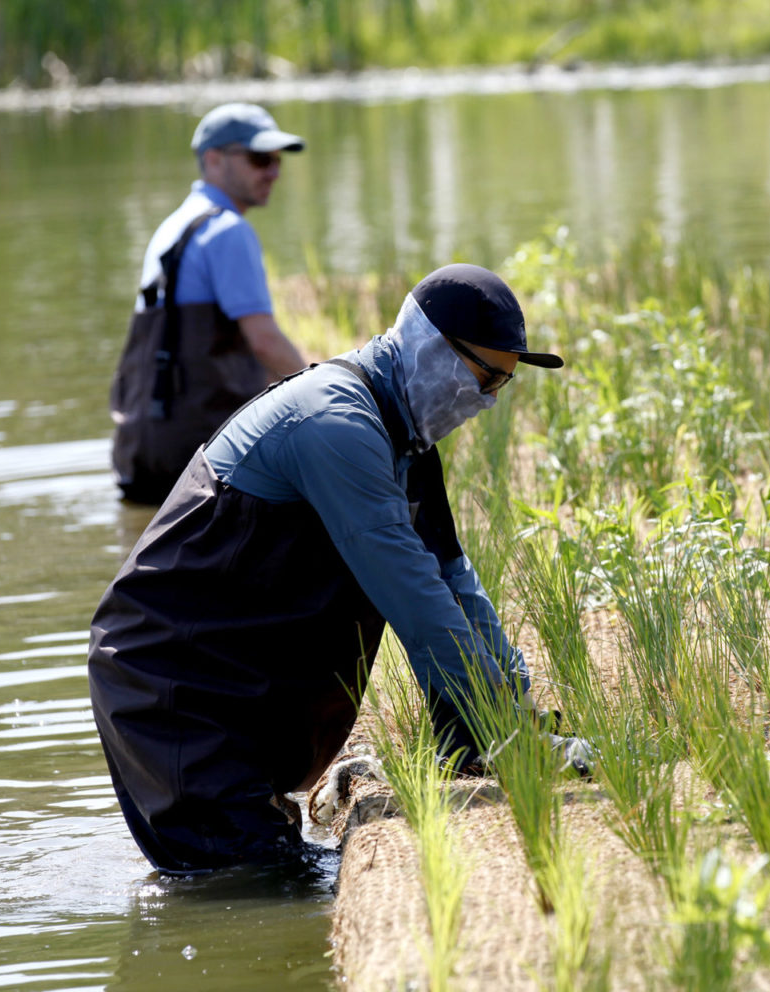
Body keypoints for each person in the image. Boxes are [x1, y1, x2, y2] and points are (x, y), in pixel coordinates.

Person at [88, 264, 585, 874]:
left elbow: (453, 579)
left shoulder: (400, 434)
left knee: (280, 873)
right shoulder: (335, 426)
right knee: (246, 891)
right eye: (484, 377)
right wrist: (501, 731)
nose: (485, 401)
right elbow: (414, 599)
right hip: (176, 690)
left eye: (501, 387)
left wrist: (515, 700)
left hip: (236, 683)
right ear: (431, 346)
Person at [109, 102, 309, 503]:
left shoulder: (173, 227)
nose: (273, 171)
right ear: (214, 160)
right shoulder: (227, 230)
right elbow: (264, 342)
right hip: (204, 461)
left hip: (146, 450)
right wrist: (325, 392)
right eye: (259, 158)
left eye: (276, 160)